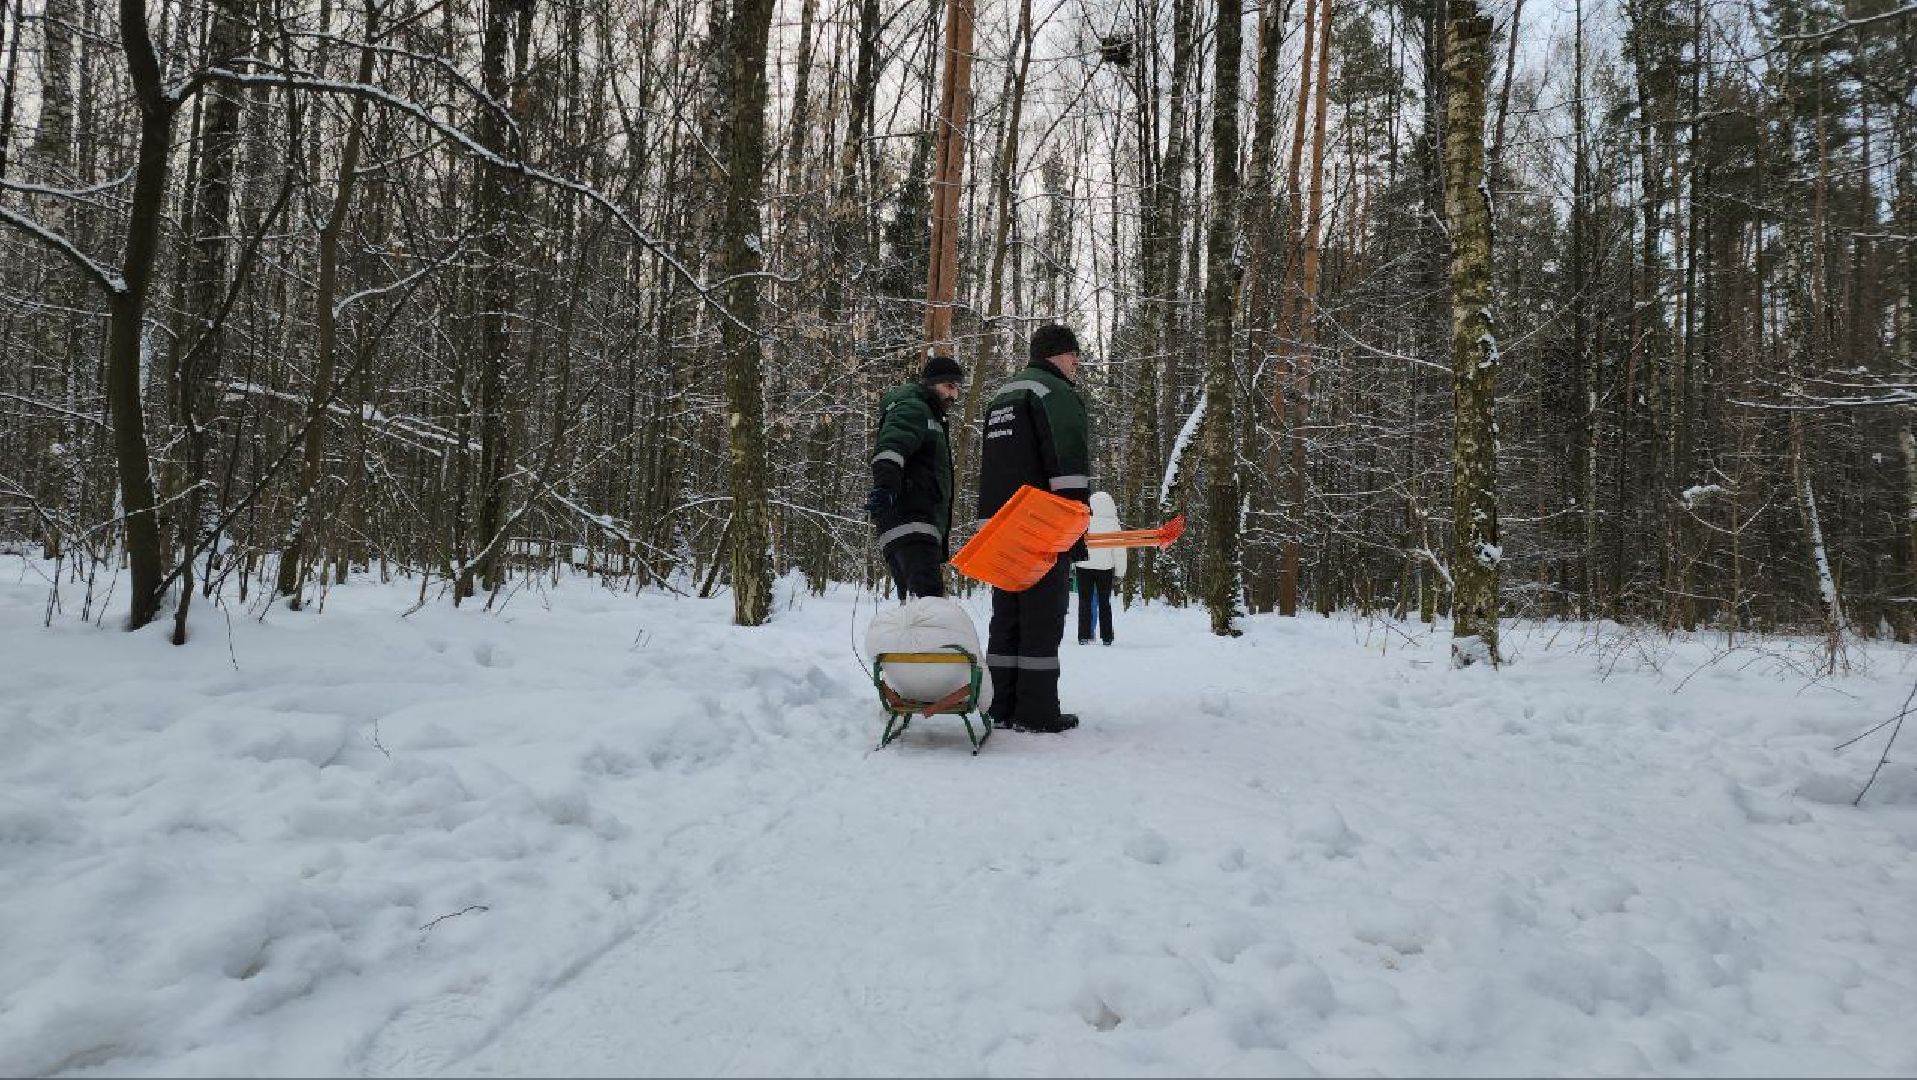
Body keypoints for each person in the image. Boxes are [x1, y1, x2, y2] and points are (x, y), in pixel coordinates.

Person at [976, 324, 1091, 733]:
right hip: (1041, 522)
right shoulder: (1053, 393)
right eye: (1074, 354)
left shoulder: (1002, 395)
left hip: (999, 524)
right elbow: (1067, 458)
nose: (1077, 363)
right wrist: (1075, 523)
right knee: (1043, 614)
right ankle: (1038, 710)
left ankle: (1001, 703)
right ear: (1056, 355)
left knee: (1007, 614)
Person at [865, 355, 962, 601]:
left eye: (957, 388)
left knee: (915, 608)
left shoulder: (928, 414)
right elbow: (891, 448)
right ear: (931, 384)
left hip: (910, 526)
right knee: (930, 606)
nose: (954, 395)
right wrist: (885, 488)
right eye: (949, 386)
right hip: (912, 521)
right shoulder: (914, 408)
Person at [1075, 491, 1125, 645]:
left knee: (1084, 601)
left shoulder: (1083, 521)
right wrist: (1120, 572)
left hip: (1084, 566)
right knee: (1104, 602)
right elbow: (1120, 551)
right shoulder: (1113, 525)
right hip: (1105, 568)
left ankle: (1084, 635)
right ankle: (1107, 637)